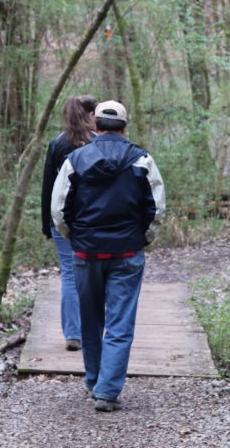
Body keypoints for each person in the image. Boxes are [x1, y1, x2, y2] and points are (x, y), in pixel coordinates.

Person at [51, 100, 165, 412]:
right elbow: (156, 208)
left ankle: (95, 380)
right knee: (119, 323)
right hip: (127, 251)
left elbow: (59, 209)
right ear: (124, 127)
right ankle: (107, 391)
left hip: (87, 252)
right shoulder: (141, 160)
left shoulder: (75, 159)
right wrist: (144, 238)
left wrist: (74, 238)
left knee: (90, 319)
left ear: (96, 125)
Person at [41, 94, 98, 350]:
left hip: (61, 218)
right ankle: (91, 331)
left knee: (68, 275)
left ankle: (73, 334)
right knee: (92, 275)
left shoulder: (57, 144)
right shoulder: (97, 145)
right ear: (91, 115)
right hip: (92, 221)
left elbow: (48, 188)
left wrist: (48, 222)